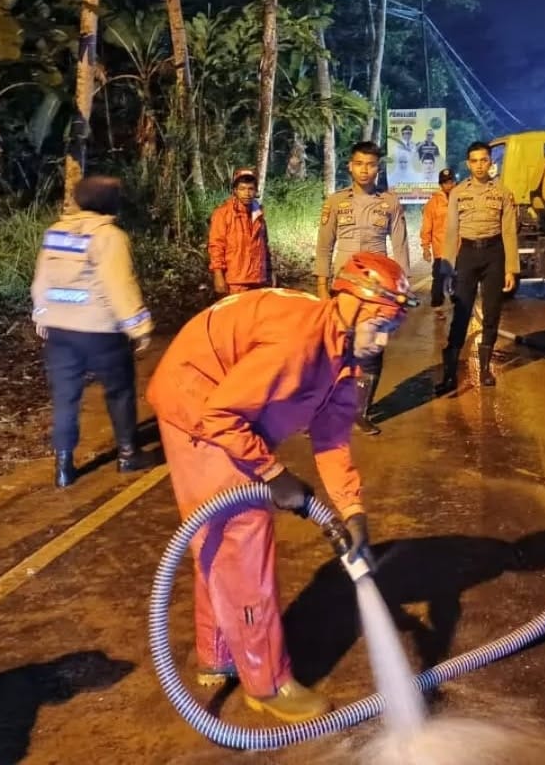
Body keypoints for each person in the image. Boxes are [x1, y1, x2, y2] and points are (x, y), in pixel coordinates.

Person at [146, 252, 417, 723]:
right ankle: (266, 682)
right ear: (350, 305)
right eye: (380, 323)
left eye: (391, 328)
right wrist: (275, 476)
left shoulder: (345, 360)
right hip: (198, 403)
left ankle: (217, 653)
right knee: (242, 533)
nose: (382, 339)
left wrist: (353, 511)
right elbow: (221, 417)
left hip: (222, 403)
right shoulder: (299, 342)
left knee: (217, 531)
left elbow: (331, 441)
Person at [31, 176, 153, 488]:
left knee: (65, 398)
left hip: (60, 331)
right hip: (100, 331)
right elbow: (119, 285)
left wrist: (42, 315)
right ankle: (128, 454)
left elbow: (42, 280)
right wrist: (138, 327)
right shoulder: (109, 236)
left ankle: (63, 466)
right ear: (109, 202)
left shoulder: (55, 232)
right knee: (119, 391)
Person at [316, 142, 411, 435]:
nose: (365, 170)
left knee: (372, 349)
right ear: (350, 165)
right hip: (344, 288)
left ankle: (361, 411)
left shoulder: (390, 203)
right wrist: (321, 284)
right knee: (334, 349)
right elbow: (324, 245)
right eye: (359, 164)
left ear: (377, 168)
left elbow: (401, 246)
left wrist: (402, 289)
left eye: (370, 165)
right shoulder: (335, 202)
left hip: (379, 292)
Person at [435, 142, 519, 392]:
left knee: (492, 313)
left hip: (495, 255)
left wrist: (511, 269)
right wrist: (447, 270)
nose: (480, 165)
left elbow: (509, 232)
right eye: (475, 160)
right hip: (468, 255)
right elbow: (451, 233)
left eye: (484, 160)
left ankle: (484, 371)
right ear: (468, 164)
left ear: (491, 162)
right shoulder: (458, 193)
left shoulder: (503, 193)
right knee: (461, 314)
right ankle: (450, 375)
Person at [208, 168, 273, 296]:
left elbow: (264, 247)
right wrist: (218, 275)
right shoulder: (222, 214)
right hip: (235, 281)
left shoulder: (258, 215)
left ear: (255, 191)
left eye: (250, 189)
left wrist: (270, 272)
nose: (247, 193)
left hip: (258, 279)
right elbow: (216, 246)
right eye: (242, 189)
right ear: (235, 191)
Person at [420, 168, 457, 317]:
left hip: (458, 248)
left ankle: (459, 304)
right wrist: (425, 247)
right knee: (439, 279)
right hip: (440, 249)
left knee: (459, 279)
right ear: (440, 184)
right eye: (445, 182)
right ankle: (437, 306)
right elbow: (427, 226)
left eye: (451, 182)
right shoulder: (432, 203)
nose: (449, 185)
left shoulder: (460, 199)